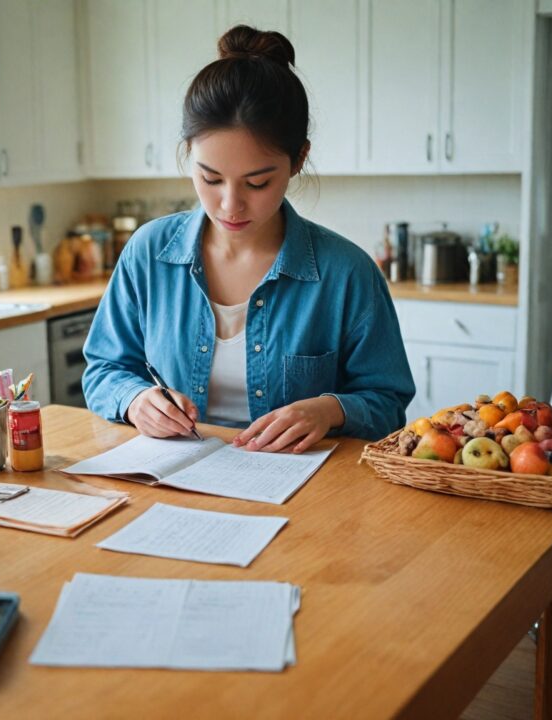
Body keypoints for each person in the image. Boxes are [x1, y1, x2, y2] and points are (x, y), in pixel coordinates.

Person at [83, 25, 414, 453]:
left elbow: (388, 402)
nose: (229, 205)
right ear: (189, 155)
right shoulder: (148, 253)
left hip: (305, 495)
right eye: (210, 178)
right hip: (175, 482)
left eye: (257, 183)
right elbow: (104, 370)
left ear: (298, 160)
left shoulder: (347, 272)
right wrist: (134, 400)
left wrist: (329, 409)